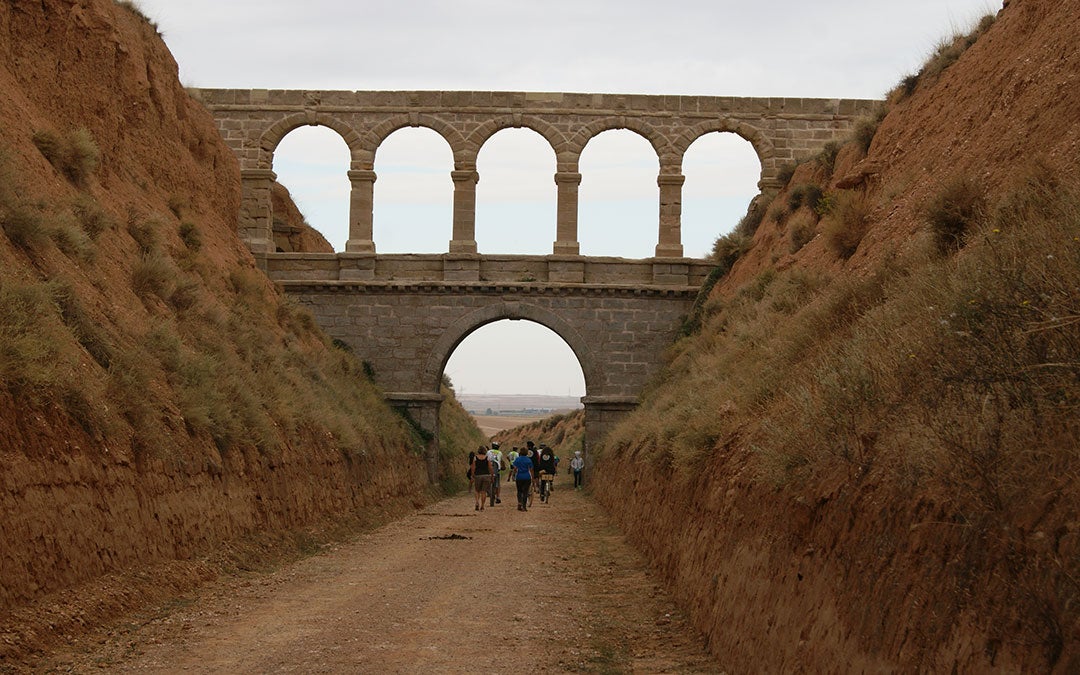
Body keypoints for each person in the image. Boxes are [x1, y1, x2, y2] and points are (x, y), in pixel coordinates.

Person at [511, 444, 535, 511]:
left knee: (519, 491)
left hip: (519, 477)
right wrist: (532, 478)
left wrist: (514, 474)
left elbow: (515, 468)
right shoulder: (528, 460)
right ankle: (524, 506)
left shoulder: (518, 459)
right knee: (525, 492)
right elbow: (531, 470)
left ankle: (519, 503)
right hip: (527, 477)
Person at [471, 446, 493, 511]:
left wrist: (472, 475)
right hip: (486, 475)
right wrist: (492, 475)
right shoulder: (487, 458)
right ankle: (482, 506)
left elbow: (473, 467)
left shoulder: (475, 458)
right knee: (484, 492)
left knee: (477, 490)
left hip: (478, 475)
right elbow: (490, 467)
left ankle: (477, 502)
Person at [488, 442, 503, 506]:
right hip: (497, 469)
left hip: (489, 469)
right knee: (498, 484)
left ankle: (488, 492)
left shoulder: (488, 452)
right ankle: (498, 496)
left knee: (488, 481)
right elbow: (500, 460)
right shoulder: (500, 453)